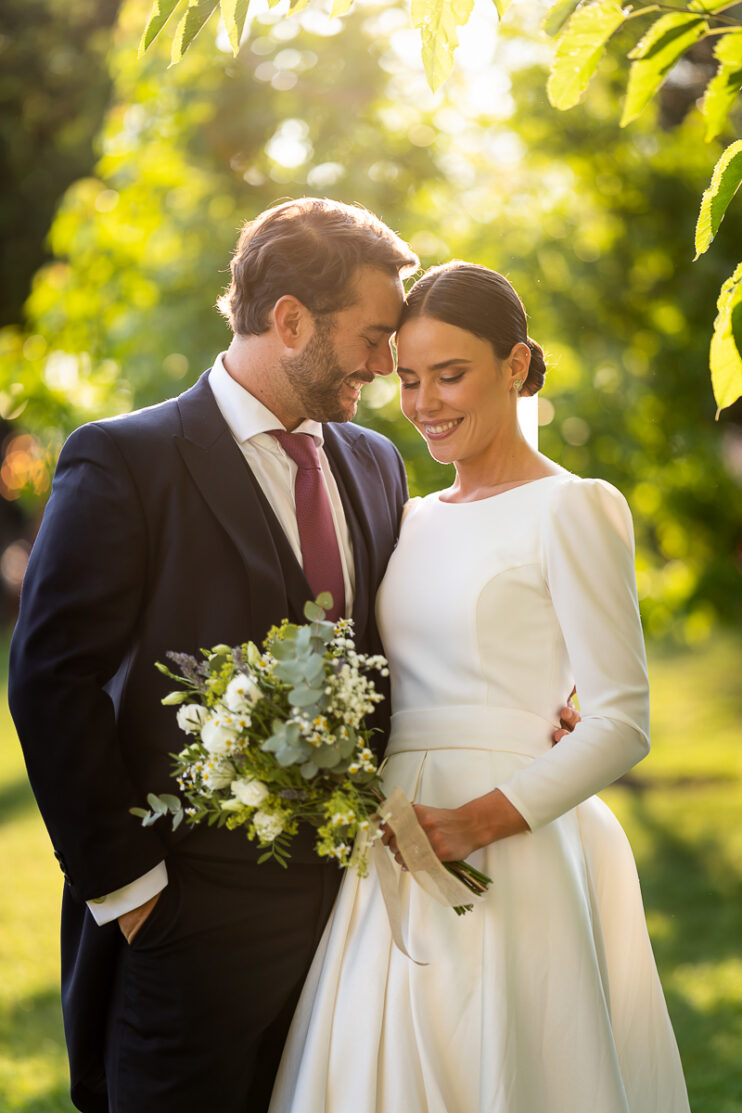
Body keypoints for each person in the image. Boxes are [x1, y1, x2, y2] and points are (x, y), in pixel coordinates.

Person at [8, 197, 420, 1113]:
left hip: (357, 919)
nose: (387, 365)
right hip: (188, 920)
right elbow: (51, 683)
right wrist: (136, 894)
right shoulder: (125, 462)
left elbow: (409, 644)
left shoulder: (377, 462)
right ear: (289, 320)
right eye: (374, 334)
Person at [268, 262, 691, 1113]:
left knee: (503, 1063)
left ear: (516, 364)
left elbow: (620, 718)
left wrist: (475, 822)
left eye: (451, 375)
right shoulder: (413, 516)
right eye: (411, 379)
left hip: (511, 838)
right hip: (394, 832)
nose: (425, 404)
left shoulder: (574, 507)